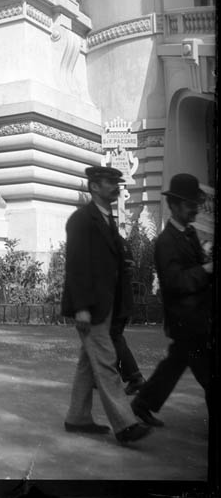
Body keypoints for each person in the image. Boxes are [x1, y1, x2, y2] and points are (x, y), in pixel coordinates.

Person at [61, 166, 152, 444]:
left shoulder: (106, 219)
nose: (115, 187)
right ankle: (125, 425)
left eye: (115, 182)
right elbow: (76, 266)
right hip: (92, 305)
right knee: (106, 361)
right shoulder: (81, 220)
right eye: (109, 182)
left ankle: (77, 418)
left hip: (106, 304)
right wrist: (82, 307)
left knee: (89, 362)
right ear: (94, 187)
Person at [131, 174, 212, 427]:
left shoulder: (188, 233)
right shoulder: (166, 242)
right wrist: (206, 270)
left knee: (175, 364)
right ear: (175, 206)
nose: (195, 209)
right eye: (190, 204)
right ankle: (142, 403)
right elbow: (175, 281)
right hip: (186, 319)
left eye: (196, 203)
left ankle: (142, 403)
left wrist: (205, 258)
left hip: (196, 317)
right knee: (209, 374)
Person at [110, 238, 146, 395]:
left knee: (113, 337)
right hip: (124, 298)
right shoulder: (123, 242)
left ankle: (134, 377)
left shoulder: (108, 242)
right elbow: (130, 267)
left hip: (115, 300)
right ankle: (109, 375)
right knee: (112, 338)